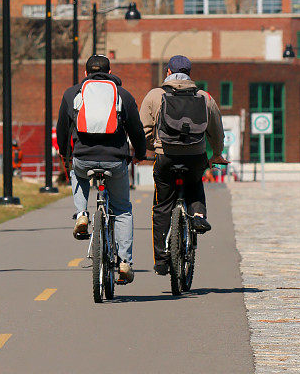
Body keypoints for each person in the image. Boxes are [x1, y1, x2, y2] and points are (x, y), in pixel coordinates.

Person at [56, 54, 146, 284]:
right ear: (109, 72)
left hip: (83, 157)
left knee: (78, 175)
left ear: (85, 74)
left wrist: (66, 154)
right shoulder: (122, 95)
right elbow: (136, 129)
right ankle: (124, 262)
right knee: (123, 209)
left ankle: (82, 214)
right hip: (115, 161)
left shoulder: (72, 93)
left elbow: (62, 129)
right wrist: (141, 153)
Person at [140, 54, 227, 276]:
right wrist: (216, 154)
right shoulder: (204, 97)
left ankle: (161, 260)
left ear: (168, 72)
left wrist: (154, 146)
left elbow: (145, 130)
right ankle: (198, 216)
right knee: (195, 182)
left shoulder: (154, 95)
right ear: (190, 74)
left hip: (166, 157)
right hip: (195, 155)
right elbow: (216, 131)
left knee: (161, 207)